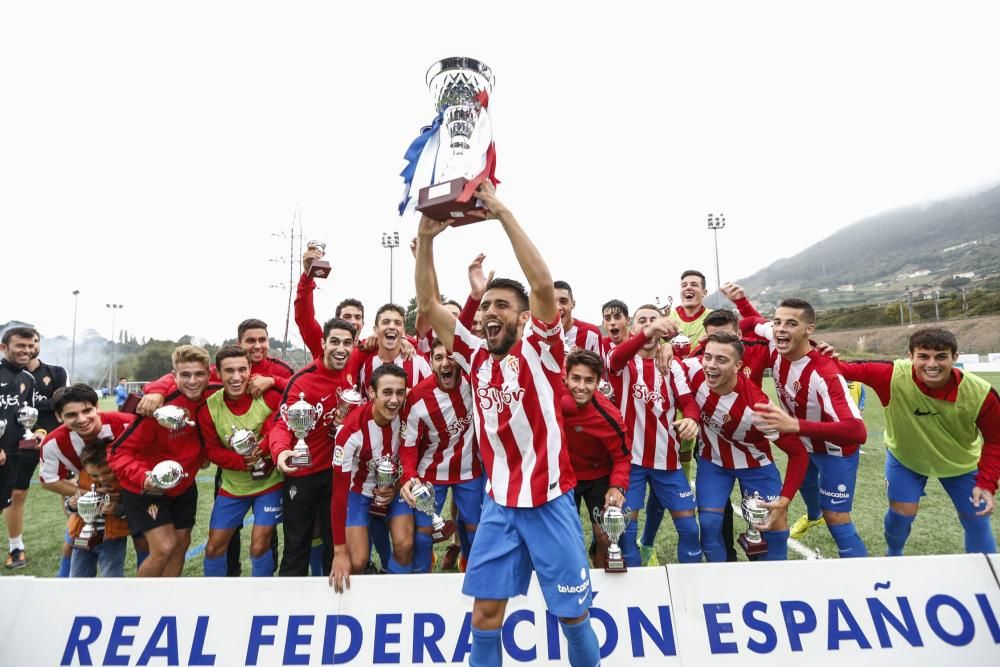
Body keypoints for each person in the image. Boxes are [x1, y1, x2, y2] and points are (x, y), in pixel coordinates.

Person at [395, 183, 601, 667]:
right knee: (485, 615)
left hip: (549, 502)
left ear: (524, 318)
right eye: (486, 305)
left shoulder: (544, 350)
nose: (490, 312)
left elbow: (544, 286)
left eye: (502, 305)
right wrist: (426, 239)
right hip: (499, 504)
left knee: (571, 615)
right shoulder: (472, 356)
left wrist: (503, 211)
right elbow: (427, 308)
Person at [829, 328, 999, 555]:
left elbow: (996, 440)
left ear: (954, 358)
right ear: (911, 356)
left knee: (977, 517)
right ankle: (894, 554)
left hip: (960, 463)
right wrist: (819, 353)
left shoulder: (980, 393)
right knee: (901, 516)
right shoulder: (891, 375)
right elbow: (836, 368)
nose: (932, 364)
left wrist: (986, 483)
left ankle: (987, 582)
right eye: (923, 356)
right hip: (906, 458)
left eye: (941, 357)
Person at [744, 298, 869, 558]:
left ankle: (863, 580)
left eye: (791, 323)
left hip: (835, 450)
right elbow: (751, 322)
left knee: (836, 517)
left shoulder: (825, 372)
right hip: (803, 446)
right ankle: (814, 516)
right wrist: (738, 302)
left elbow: (858, 432)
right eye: (777, 322)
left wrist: (795, 425)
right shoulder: (775, 342)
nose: (780, 329)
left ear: (808, 329)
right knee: (810, 494)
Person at [109, 345, 248, 577]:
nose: (193, 381)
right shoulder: (159, 407)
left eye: (199, 374)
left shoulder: (215, 393)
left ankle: (168, 602)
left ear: (209, 373)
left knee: (181, 544)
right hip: (147, 487)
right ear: (174, 376)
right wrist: (145, 478)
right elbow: (117, 452)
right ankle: (137, 605)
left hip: (183, 486)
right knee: (164, 547)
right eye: (185, 375)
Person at [681, 332, 810, 560]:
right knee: (710, 525)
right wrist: (663, 350)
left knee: (776, 531)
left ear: (738, 365)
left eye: (721, 360)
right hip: (714, 462)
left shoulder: (759, 408)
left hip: (756, 465)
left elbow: (798, 454)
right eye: (708, 357)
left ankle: (773, 587)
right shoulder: (693, 370)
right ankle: (722, 585)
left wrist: (784, 500)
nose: (711, 365)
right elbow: (666, 363)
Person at [608, 304, 702, 566]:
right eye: (642, 321)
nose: (648, 324)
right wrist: (650, 332)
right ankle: (637, 596)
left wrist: (692, 419)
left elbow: (688, 402)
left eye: (653, 320)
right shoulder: (620, 360)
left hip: (667, 462)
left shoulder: (674, 366)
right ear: (633, 327)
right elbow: (616, 359)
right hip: (630, 464)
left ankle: (689, 597)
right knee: (625, 536)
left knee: (690, 531)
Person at [269, 318, 358, 576]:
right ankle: (288, 608)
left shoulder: (350, 374)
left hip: (337, 473)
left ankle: (334, 608)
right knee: (297, 546)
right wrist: (282, 450)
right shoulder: (302, 381)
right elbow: (281, 424)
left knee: (336, 544)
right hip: (304, 473)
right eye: (335, 342)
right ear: (323, 343)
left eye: (347, 343)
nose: (341, 348)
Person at [399, 337, 484, 574]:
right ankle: (422, 579)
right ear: (430, 362)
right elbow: (408, 444)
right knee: (424, 535)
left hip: (470, 471)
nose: (445, 363)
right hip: (432, 473)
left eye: (450, 356)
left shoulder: (474, 383)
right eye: (439, 358)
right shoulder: (417, 397)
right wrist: (408, 475)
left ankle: (472, 574)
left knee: (475, 532)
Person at [197, 346, 284, 577]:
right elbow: (212, 450)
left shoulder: (267, 394)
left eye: (242, 370)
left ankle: (261, 598)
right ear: (218, 373)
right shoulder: (209, 408)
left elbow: (295, 397)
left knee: (258, 546)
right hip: (234, 487)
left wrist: (262, 449)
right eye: (229, 371)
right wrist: (243, 461)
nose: (236, 377)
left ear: (250, 370)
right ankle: (215, 602)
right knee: (214, 548)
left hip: (270, 484)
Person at [39, 384, 145, 571]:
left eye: (87, 410)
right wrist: (86, 494)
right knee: (73, 542)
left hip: (133, 491)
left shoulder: (127, 424)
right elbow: (48, 480)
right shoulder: (53, 443)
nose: (81, 419)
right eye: (71, 415)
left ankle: (149, 592)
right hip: (90, 497)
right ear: (58, 417)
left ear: (97, 407)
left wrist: (127, 494)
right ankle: (65, 587)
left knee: (144, 540)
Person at [331, 364, 415, 577]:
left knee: (405, 547)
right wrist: (339, 551)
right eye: (387, 392)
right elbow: (339, 494)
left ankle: (393, 592)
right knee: (357, 562)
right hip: (358, 493)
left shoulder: (409, 414)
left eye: (400, 393)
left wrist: (396, 487)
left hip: (395, 489)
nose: (394, 400)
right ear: (371, 392)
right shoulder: (349, 432)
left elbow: (414, 456)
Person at [561, 349, 630, 567]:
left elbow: (622, 458)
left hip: (597, 476)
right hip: (562, 477)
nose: (581, 387)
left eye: (589, 380)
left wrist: (617, 486)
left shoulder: (608, 416)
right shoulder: (550, 399)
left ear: (598, 382)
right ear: (565, 377)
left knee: (606, 536)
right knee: (563, 540)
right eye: (576, 379)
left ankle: (601, 575)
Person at [5, 330, 67, 570]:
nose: (28, 349)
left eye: (34, 343)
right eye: (22, 345)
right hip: (20, 443)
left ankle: (78, 537)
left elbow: (62, 402)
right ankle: (15, 546)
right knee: (17, 493)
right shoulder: (8, 377)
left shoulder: (57, 372)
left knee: (68, 489)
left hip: (55, 441)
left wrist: (43, 426)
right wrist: (46, 406)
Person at [0, 326, 38, 569]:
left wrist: (33, 435)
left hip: (15, 452)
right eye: (20, 346)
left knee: (8, 500)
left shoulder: (28, 378)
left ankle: (16, 547)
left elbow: (27, 415)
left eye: (30, 346)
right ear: (4, 348)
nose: (26, 350)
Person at [67, 441, 130, 577]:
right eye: (94, 475)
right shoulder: (83, 479)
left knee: (111, 576)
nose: (101, 478)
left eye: (107, 472)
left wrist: (117, 509)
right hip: (81, 535)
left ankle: (113, 598)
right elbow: (71, 504)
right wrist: (72, 504)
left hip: (112, 538)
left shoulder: (123, 482)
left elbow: (133, 510)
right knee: (77, 577)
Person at [554, 280, 602, 354]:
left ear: (573, 304)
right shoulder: (539, 334)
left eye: (563, 301)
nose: (558, 307)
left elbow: (599, 365)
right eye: (552, 302)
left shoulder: (591, 334)